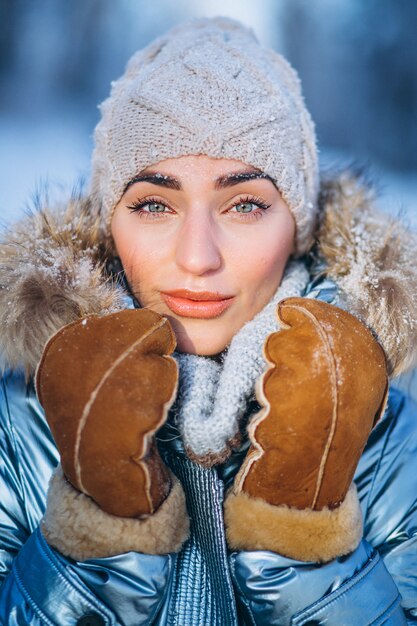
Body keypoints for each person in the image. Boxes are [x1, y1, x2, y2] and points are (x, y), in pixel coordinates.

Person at [0, 16, 416, 626]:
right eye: (154, 204)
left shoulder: (381, 430)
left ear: (296, 229)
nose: (198, 256)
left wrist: (302, 543)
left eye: (245, 204)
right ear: (109, 223)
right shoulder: (24, 419)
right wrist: (100, 534)